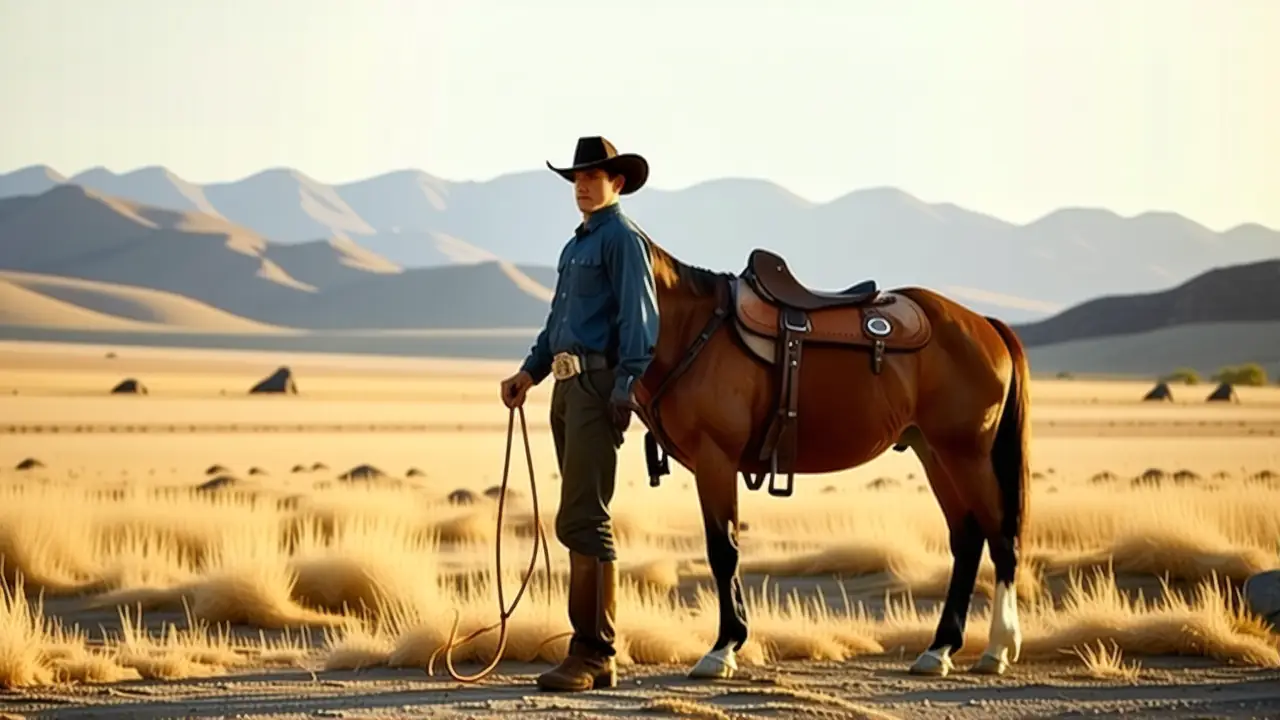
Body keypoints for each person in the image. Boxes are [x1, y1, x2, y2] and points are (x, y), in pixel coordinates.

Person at [499, 136, 661, 692]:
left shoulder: (621, 240)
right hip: (565, 389)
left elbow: (640, 320)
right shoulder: (576, 246)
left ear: (617, 182)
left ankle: (594, 653)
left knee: (585, 517)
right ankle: (590, 650)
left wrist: (625, 387)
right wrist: (529, 371)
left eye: (593, 176)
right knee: (576, 517)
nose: (583, 185)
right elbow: (557, 323)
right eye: (576, 178)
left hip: (596, 388)